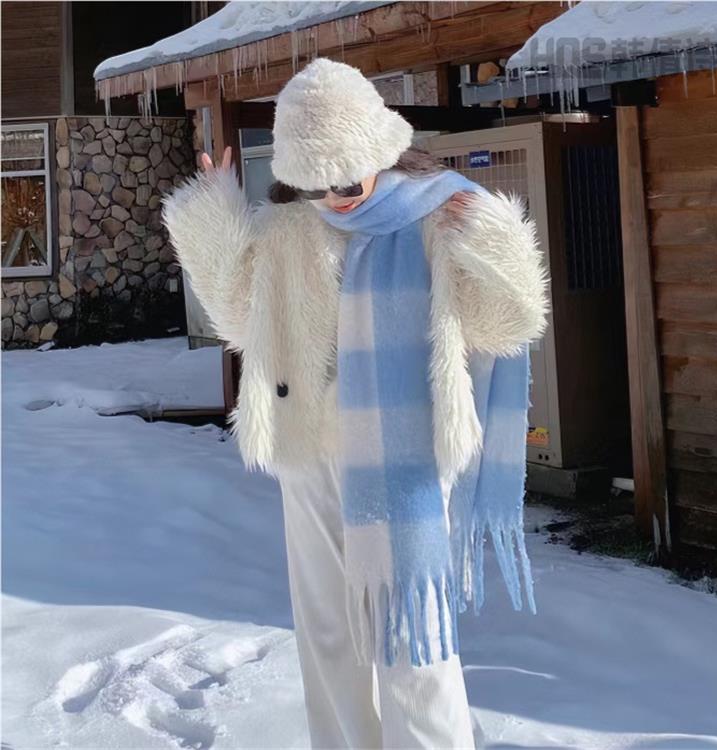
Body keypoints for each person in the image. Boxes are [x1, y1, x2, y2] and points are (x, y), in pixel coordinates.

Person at [162, 58, 549, 750]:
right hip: (309, 452)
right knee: (328, 637)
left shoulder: (435, 215)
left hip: (403, 458)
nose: (333, 198)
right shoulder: (288, 229)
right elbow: (241, 318)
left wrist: (492, 241)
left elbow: (506, 326)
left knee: (412, 641)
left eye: (345, 181)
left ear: (378, 152)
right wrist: (214, 215)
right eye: (314, 185)